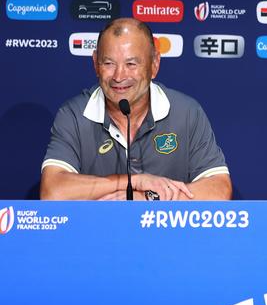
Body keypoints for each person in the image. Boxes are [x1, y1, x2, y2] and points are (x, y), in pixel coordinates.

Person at [40, 18, 232, 200]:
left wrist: (147, 198)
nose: (119, 76)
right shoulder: (73, 114)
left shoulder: (187, 112)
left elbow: (219, 189)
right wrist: (134, 182)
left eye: (131, 64)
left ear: (154, 64)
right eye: (108, 63)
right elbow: (53, 192)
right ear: (95, 64)